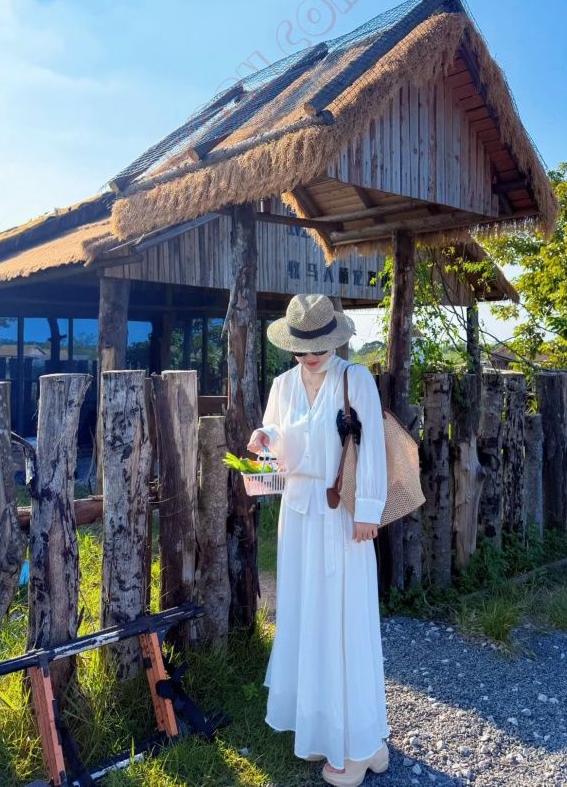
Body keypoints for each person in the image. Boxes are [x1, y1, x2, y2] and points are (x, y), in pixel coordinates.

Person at [247, 293, 391, 786]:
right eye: (302, 346)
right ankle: (323, 729)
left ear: (335, 339)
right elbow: (275, 441)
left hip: (343, 515)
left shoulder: (356, 379)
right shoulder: (283, 385)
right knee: (306, 618)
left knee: (345, 621)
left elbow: (371, 448)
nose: (311, 356)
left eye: (319, 346)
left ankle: (357, 745)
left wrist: (368, 509)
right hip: (298, 517)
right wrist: (263, 440)